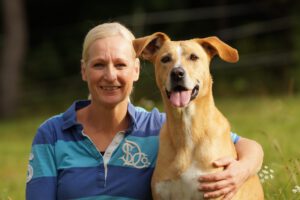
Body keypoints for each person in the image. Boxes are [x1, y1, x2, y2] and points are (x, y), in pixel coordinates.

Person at [26, 22, 264, 200]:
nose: (110, 75)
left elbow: (246, 146)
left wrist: (242, 170)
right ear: (84, 71)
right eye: (99, 64)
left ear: (137, 70)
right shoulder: (52, 133)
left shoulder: (158, 127)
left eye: (120, 65)